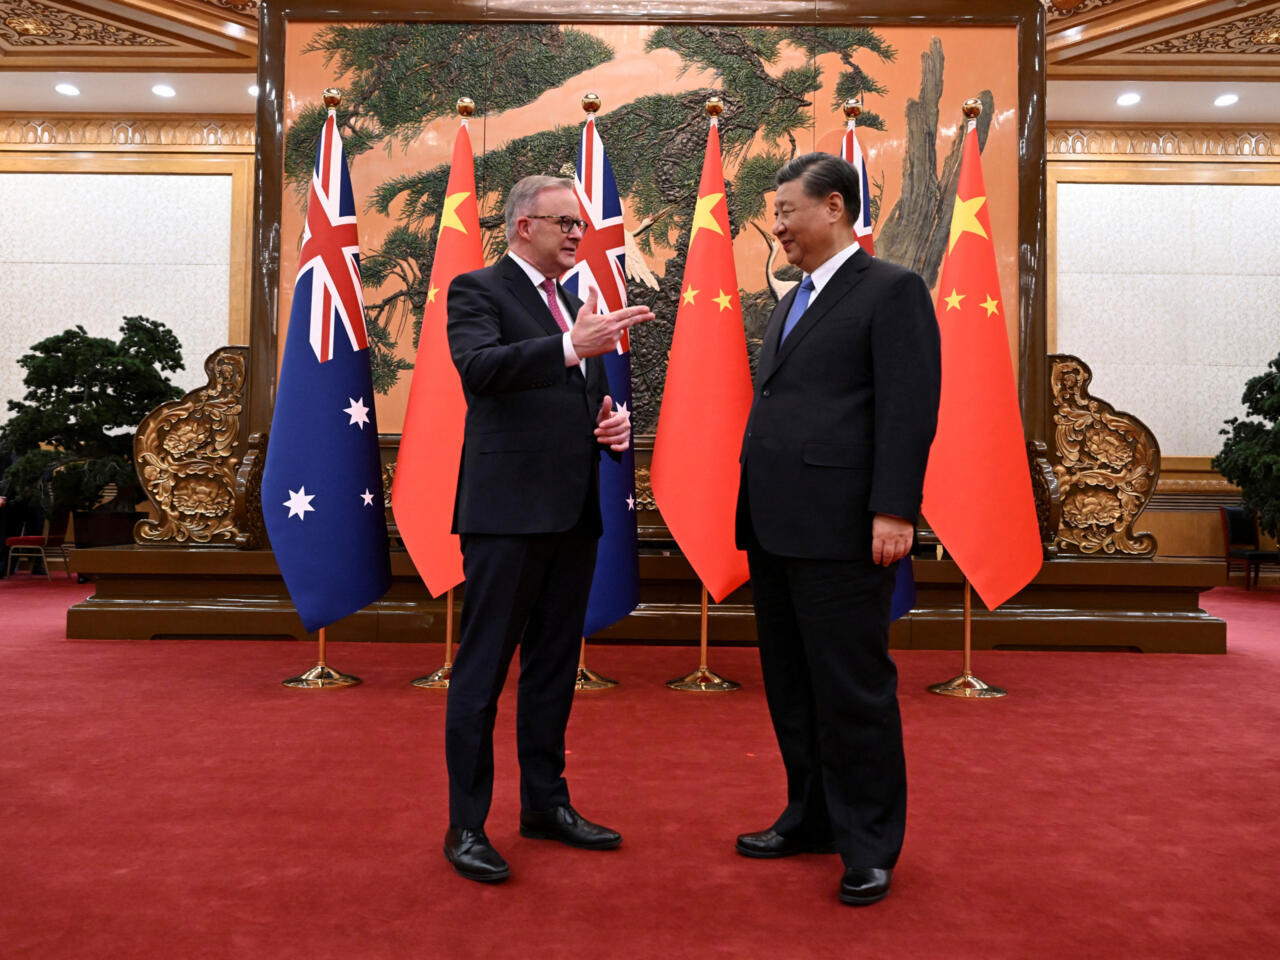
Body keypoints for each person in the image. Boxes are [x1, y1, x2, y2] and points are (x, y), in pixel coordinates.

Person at [734, 153, 941, 905]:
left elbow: (909, 408)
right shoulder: (791, 299)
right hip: (777, 525)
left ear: (833, 206)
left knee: (853, 690)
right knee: (792, 687)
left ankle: (870, 844)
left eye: (788, 211)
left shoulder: (892, 290)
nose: (779, 226)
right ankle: (811, 817)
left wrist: (895, 507)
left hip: (846, 528)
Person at [442, 174, 653, 883]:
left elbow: (566, 398)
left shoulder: (570, 302)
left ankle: (544, 805)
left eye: (580, 225)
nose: (576, 235)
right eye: (564, 222)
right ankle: (466, 824)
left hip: (571, 512)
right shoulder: (478, 290)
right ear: (522, 225)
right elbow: (479, 371)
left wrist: (608, 426)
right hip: (505, 515)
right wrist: (571, 347)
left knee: (554, 668)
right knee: (482, 670)